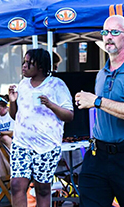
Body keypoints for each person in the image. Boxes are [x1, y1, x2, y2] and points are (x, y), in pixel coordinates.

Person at [75, 15, 124, 207]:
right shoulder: (101, 73)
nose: (108, 37)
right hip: (99, 155)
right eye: (105, 32)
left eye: (115, 32)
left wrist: (97, 101)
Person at [8, 48, 74, 207]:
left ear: (41, 67)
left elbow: (69, 115)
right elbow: (14, 115)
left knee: (43, 189)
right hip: (21, 144)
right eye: (23, 62)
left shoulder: (56, 85)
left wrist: (50, 104)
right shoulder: (22, 85)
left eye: (28, 63)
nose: (24, 66)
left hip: (47, 146)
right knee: (16, 185)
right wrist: (12, 101)